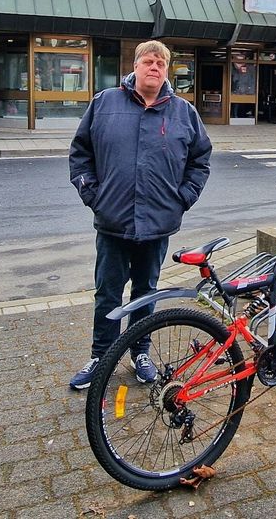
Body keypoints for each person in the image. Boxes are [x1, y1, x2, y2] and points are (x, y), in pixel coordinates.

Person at [68, 41, 212, 389]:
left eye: (161, 63)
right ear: (135, 66)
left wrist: (182, 199)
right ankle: (101, 357)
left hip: (157, 224)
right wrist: (93, 195)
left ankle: (140, 353)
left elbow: (200, 160)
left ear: (167, 71)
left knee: (146, 291)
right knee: (108, 293)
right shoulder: (105, 104)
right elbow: (80, 153)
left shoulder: (183, 112)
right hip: (113, 222)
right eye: (149, 61)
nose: (155, 68)